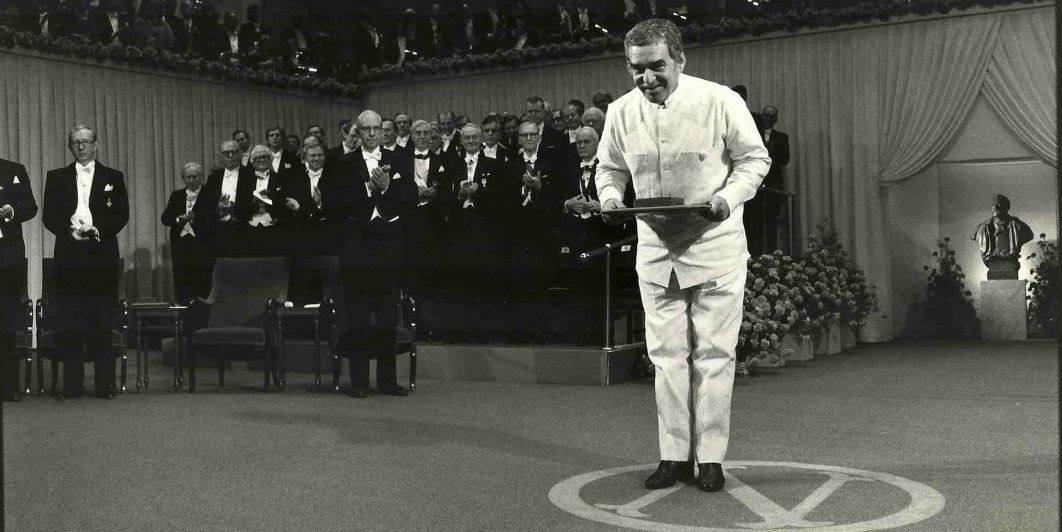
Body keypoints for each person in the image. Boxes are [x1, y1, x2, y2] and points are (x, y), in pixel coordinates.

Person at [596, 19, 770, 492]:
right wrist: (611, 199)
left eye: (657, 67)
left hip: (715, 247)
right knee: (667, 356)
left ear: (680, 60)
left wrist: (727, 199)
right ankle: (673, 455)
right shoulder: (619, 112)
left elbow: (756, 160)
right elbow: (608, 169)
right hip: (655, 252)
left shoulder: (720, 101)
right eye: (637, 70)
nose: (647, 79)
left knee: (715, 354)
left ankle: (710, 459)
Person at [42, 125, 130, 400]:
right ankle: (72, 386)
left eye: (85, 141)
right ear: (70, 147)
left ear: (95, 145)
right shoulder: (55, 177)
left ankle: (104, 385)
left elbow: (122, 214)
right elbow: (49, 215)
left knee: (102, 319)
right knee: (71, 320)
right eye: (75, 142)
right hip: (69, 255)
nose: (81, 146)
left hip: (102, 253)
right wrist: (69, 231)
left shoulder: (113, 176)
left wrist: (97, 229)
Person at [333, 110, 417, 398]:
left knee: (386, 314)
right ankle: (358, 381)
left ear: (383, 132)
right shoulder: (344, 163)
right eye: (365, 129)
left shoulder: (400, 160)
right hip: (356, 246)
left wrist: (389, 185)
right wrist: (369, 186)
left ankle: (387, 380)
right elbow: (335, 203)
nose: (370, 134)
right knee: (357, 313)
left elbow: (412, 199)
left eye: (375, 129)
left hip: (389, 244)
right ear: (357, 132)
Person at [0, 156, 37, 401]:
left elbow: (31, 207)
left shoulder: (13, 170)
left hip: (7, 258)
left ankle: (8, 386)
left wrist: (13, 211)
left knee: (6, 323)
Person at [161, 162, 214, 303]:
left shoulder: (209, 194)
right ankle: (183, 319)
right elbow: (165, 219)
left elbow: (213, 218)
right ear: (183, 178)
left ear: (200, 177)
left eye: (194, 177)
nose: (191, 180)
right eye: (188, 177)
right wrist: (179, 219)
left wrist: (195, 218)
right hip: (181, 248)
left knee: (203, 282)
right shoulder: (176, 195)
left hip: (203, 246)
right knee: (182, 284)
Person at [971, 194, 1034, 278]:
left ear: (1007, 208)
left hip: (1011, 263)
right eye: (994, 204)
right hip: (993, 263)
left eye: (999, 204)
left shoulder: (1018, 226)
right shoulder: (982, 229)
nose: (996, 207)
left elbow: (1029, 235)